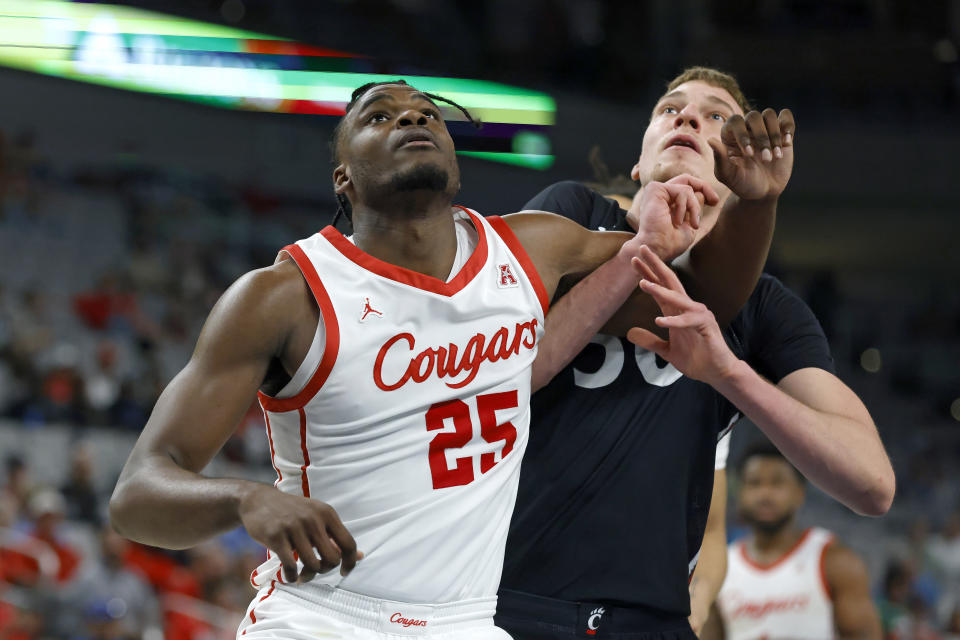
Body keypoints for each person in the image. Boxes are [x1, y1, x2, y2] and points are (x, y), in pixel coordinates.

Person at [109, 79, 780, 639]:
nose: (411, 117)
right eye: (381, 116)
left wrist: (755, 203)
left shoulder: (533, 250)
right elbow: (138, 494)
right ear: (343, 174)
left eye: (428, 113)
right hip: (321, 617)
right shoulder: (284, 295)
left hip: (467, 622)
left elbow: (703, 299)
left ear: (455, 162)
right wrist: (245, 500)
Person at [495, 67, 894, 639]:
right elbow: (490, 375)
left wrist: (730, 372)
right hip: (509, 602)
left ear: (738, 173)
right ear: (639, 163)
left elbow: (872, 485)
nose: (686, 117)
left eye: (716, 117)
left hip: (652, 622)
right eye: (669, 109)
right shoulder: (574, 215)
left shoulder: (767, 309)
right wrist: (646, 247)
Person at [703, 443, 881, 639]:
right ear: (740, 493)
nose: (765, 494)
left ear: (800, 493)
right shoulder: (719, 568)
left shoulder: (834, 561)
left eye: (777, 483)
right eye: (754, 483)